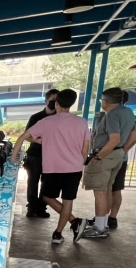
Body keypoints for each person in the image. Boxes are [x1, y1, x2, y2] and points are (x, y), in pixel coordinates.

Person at [11, 89, 88, 244]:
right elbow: (85, 148)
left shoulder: (47, 122)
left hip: (53, 167)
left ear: (56, 103)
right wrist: (81, 162)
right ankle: (63, 230)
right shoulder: (82, 122)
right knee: (68, 201)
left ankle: (71, 225)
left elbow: (23, 137)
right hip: (74, 167)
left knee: (47, 197)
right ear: (72, 104)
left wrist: (14, 158)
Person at [80, 87, 136, 239]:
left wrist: (98, 157)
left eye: (101, 100)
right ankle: (103, 223)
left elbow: (114, 139)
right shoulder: (128, 112)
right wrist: (121, 151)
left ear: (107, 101)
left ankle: (99, 228)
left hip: (106, 155)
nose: (101, 103)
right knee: (106, 190)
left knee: (100, 192)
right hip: (117, 155)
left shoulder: (112, 114)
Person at [23, 89, 59, 218]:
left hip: (52, 156)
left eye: (57, 101)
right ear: (46, 101)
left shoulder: (60, 119)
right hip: (35, 155)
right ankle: (31, 207)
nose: (55, 103)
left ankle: (41, 207)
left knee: (47, 182)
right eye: (52, 100)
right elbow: (26, 136)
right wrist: (39, 141)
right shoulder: (36, 117)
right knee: (33, 181)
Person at [108, 120, 136, 229]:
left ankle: (105, 217)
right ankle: (112, 218)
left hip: (111, 156)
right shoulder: (127, 116)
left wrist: (124, 149)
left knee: (108, 189)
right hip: (119, 157)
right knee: (115, 189)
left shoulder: (120, 115)